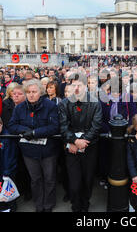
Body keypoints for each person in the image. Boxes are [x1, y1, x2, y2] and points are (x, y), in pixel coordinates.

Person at [8, 79, 60, 212]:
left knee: (49, 178)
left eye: (34, 92)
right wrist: (25, 131)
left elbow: (54, 127)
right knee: (35, 179)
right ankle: (38, 204)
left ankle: (48, 204)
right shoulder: (19, 108)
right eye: (28, 92)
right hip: (29, 151)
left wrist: (35, 132)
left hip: (48, 150)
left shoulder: (50, 106)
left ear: (40, 92)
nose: (31, 95)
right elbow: (12, 125)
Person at [58, 73, 103, 212]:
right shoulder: (64, 103)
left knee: (88, 179)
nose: (76, 88)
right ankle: (76, 206)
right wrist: (73, 141)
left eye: (80, 85)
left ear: (86, 85)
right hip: (71, 147)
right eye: (74, 85)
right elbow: (63, 126)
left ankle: (85, 203)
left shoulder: (95, 102)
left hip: (89, 147)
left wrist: (83, 141)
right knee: (74, 181)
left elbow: (96, 126)